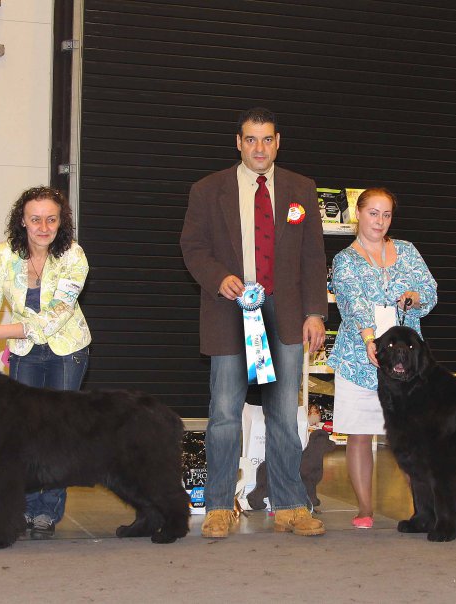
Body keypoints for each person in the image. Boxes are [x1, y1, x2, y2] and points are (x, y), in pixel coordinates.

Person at [180, 107, 328, 539]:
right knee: (224, 414)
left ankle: (289, 506)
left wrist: (315, 312)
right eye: (250, 139)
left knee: (284, 413)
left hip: (285, 317)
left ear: (278, 141)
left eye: (266, 140)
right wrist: (218, 278)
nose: (258, 148)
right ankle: (219, 505)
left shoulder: (302, 188)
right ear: (238, 142)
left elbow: (313, 257)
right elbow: (192, 247)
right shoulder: (208, 190)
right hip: (230, 312)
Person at [0, 185, 91, 539]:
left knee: (58, 434)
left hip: (67, 350)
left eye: (51, 219)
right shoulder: (3, 255)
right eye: (35, 219)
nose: (43, 227)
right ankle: (22, 509)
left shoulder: (74, 257)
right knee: (21, 436)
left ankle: (48, 511)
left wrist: (0, 331)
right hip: (24, 353)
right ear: (23, 220)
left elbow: (54, 318)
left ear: (61, 222)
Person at [327, 187, 437, 528]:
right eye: (373, 213)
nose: (380, 221)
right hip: (361, 357)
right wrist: (370, 340)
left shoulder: (407, 251)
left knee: (412, 435)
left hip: (407, 361)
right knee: (360, 434)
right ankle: (365, 509)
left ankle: (424, 508)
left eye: (387, 214)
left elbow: (430, 290)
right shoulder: (345, 259)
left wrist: (415, 297)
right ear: (358, 214)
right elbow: (352, 303)